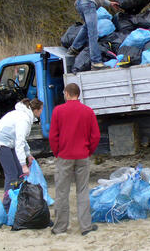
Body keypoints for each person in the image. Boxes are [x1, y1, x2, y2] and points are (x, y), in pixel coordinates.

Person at [68, 0, 148, 70]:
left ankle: (74, 48)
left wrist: (109, 3)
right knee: (93, 32)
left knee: (87, 26)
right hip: (88, 4)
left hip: (79, 3)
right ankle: (96, 62)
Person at [49, 83, 100, 236]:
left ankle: (60, 228)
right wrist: (89, 151)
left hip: (64, 156)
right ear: (78, 94)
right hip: (83, 155)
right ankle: (86, 226)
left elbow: (53, 136)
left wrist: (57, 152)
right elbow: (95, 135)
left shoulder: (58, 111)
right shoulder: (88, 111)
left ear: (66, 93)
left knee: (62, 192)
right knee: (83, 191)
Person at [0, 98, 43, 212]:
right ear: (36, 110)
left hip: (10, 143)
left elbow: (22, 140)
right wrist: (24, 165)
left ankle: (18, 201)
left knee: (19, 174)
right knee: (12, 175)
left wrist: (28, 154)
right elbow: (19, 143)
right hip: (1, 144)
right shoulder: (23, 119)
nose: (42, 112)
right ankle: (7, 206)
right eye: (41, 109)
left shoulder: (26, 116)